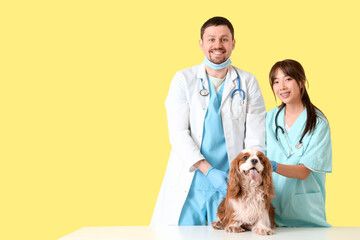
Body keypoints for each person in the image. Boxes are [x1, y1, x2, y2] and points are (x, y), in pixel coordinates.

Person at [151, 16, 266, 226]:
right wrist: (208, 170)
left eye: (224, 39)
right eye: (211, 39)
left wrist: (250, 172)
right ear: (201, 44)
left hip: (232, 184)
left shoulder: (247, 81)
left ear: (233, 43)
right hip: (191, 181)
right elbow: (178, 134)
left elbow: (256, 137)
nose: (217, 45)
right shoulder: (183, 79)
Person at [266, 59, 332, 227]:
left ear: (302, 82)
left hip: (306, 215)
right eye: (276, 81)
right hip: (269, 214)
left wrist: (272, 165)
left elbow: (303, 172)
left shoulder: (318, 123)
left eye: (288, 79)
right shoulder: (269, 119)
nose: (282, 87)